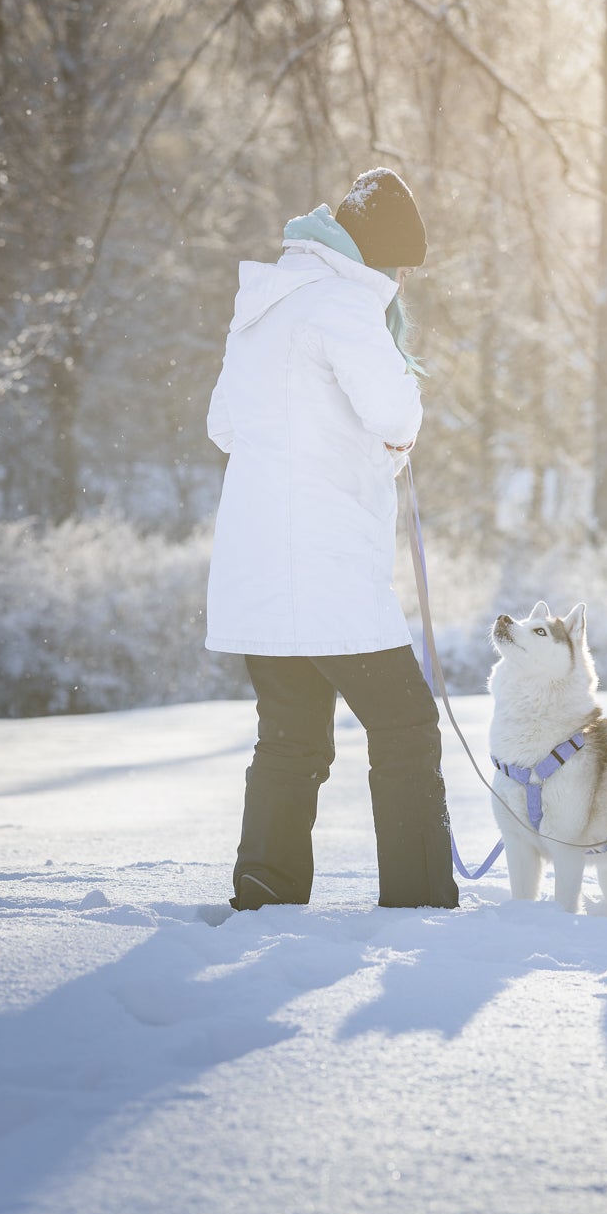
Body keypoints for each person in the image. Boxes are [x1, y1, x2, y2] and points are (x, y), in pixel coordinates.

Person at [204, 169, 459, 911]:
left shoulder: (265, 305)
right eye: (402, 265)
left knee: (291, 736)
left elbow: (224, 425)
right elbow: (393, 413)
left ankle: (265, 889)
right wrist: (396, 415)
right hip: (323, 563)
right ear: (377, 254)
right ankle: (418, 901)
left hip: (259, 562)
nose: (403, 280)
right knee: (406, 725)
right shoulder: (346, 303)